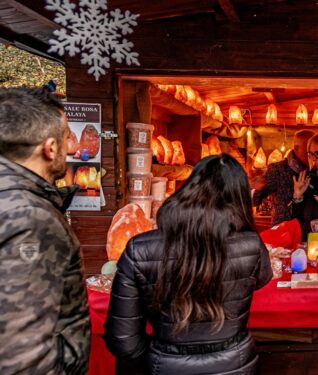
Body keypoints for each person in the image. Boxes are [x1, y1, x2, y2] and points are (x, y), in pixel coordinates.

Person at [104, 154, 272, 375]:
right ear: (239, 197)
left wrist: (160, 358)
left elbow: (123, 340)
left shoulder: (139, 248)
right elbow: (262, 279)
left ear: (189, 188)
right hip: (234, 365)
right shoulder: (251, 245)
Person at [0, 87, 90, 374]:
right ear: (50, 148)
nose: (73, 147)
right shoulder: (30, 217)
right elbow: (21, 351)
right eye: (67, 138)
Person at [252, 130, 314, 225]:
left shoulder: (316, 170)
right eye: (308, 149)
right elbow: (254, 201)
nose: (312, 153)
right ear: (296, 149)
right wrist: (256, 190)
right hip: (284, 231)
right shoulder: (277, 170)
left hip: (310, 231)